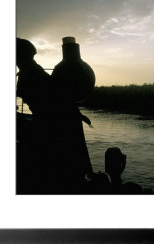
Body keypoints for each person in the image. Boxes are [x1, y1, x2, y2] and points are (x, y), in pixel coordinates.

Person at [16, 37, 93, 194]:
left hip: (53, 126)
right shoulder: (33, 72)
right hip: (60, 123)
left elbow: (52, 101)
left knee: (62, 169)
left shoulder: (29, 74)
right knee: (70, 168)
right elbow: (57, 98)